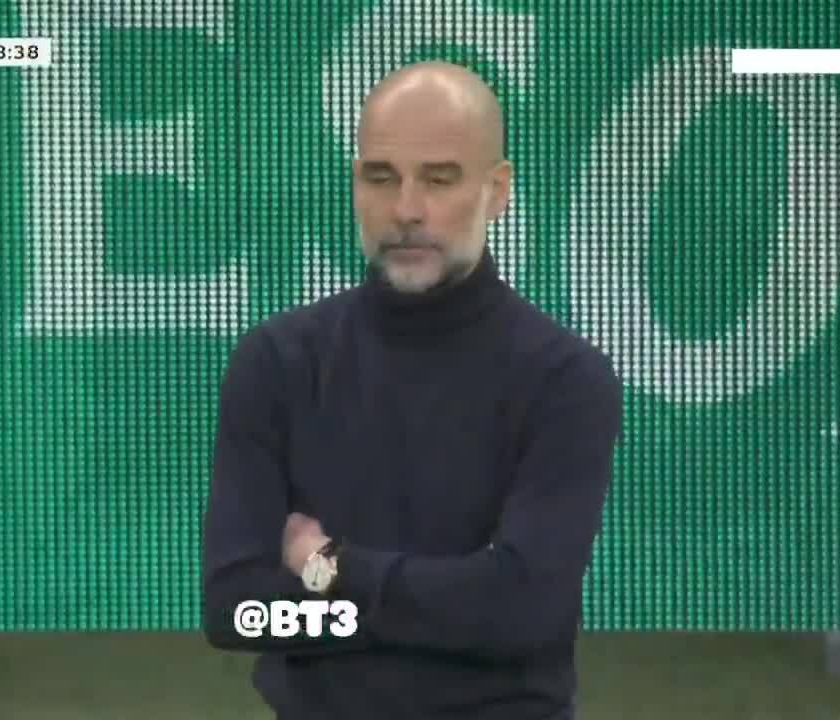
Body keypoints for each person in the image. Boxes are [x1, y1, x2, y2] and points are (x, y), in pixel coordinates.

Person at [200, 60, 624, 720]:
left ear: (498, 191)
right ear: (355, 186)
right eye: (381, 177)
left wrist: (329, 569)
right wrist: (453, 606)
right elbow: (238, 611)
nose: (406, 210)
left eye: (439, 179)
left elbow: (525, 612)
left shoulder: (565, 381)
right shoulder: (277, 363)